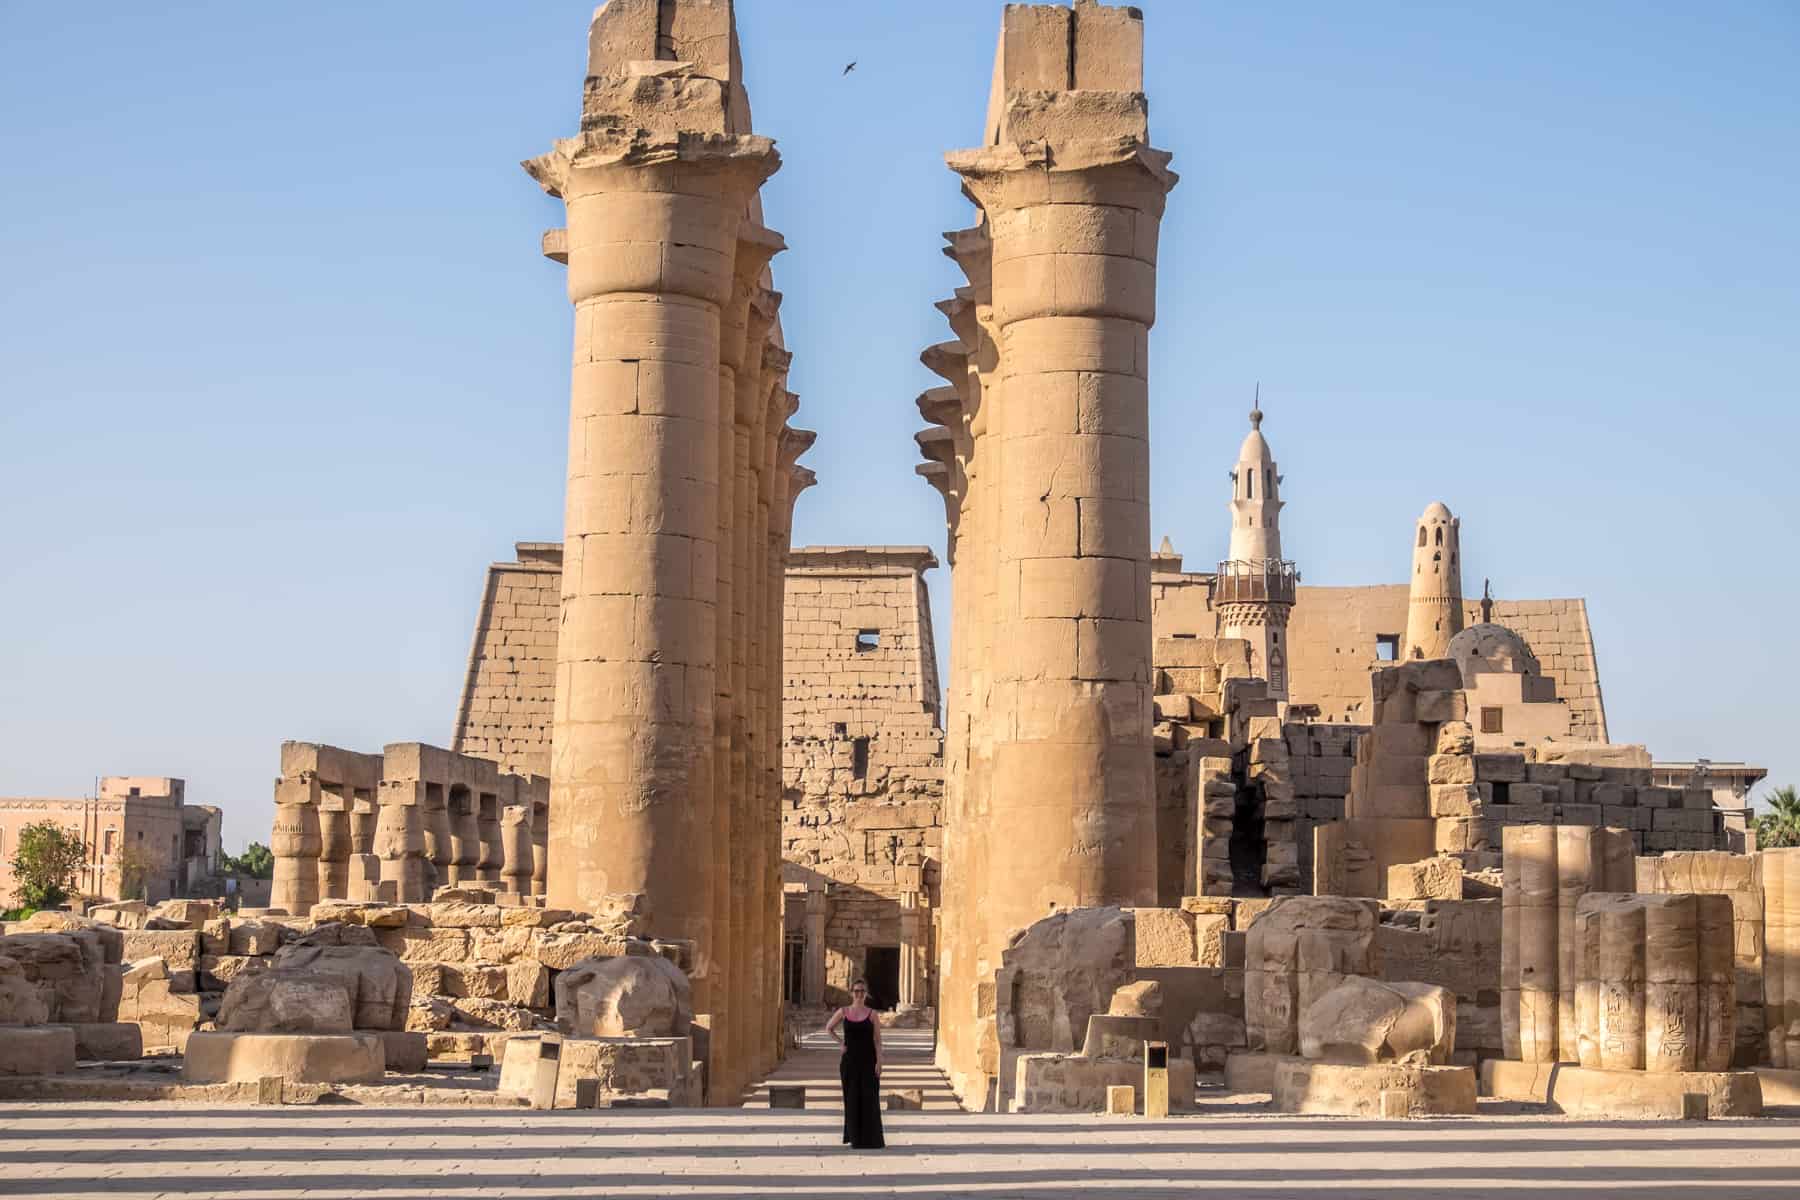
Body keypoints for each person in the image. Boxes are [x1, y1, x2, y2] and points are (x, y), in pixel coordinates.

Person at [825, 978, 886, 1149]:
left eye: (862, 991)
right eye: (856, 991)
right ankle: (855, 1138)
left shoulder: (872, 1014)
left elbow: (878, 1040)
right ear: (852, 993)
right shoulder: (843, 1011)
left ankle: (871, 1139)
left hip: (869, 1061)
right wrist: (840, 1043)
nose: (859, 994)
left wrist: (880, 1061)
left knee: (869, 1098)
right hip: (849, 1061)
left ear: (866, 994)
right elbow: (828, 1028)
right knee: (851, 1099)